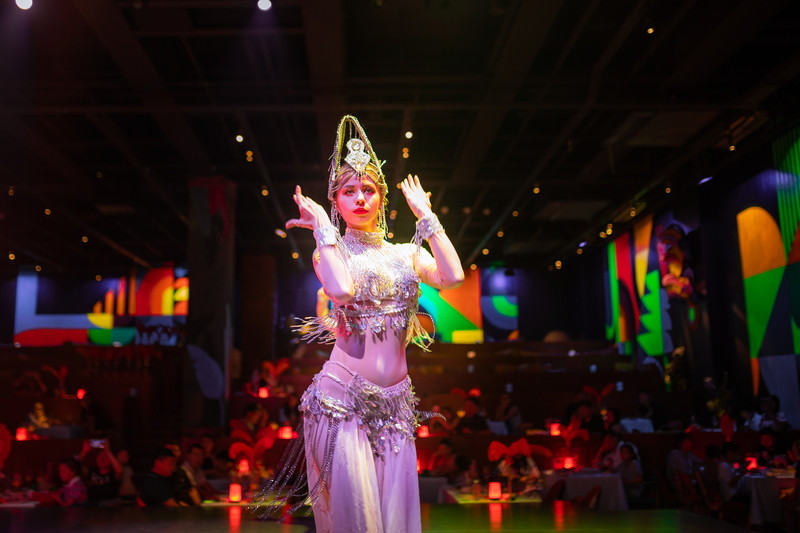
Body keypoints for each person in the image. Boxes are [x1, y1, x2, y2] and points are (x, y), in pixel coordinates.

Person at [253, 115, 464, 532]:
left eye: (369, 190)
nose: (361, 198)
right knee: (359, 519)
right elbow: (343, 291)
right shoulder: (329, 252)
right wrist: (323, 230)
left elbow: (453, 276)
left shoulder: (406, 254)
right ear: (336, 201)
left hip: (396, 405)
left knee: (395, 519)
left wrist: (427, 217)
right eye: (349, 191)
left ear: (382, 199)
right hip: (342, 401)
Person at [78, 439, 122, 503]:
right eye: (100, 456)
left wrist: (107, 451)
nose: (102, 458)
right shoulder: (91, 471)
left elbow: (119, 471)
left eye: (105, 456)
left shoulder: (113, 473)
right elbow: (79, 465)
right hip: (93, 504)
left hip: (110, 504)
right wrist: (84, 451)